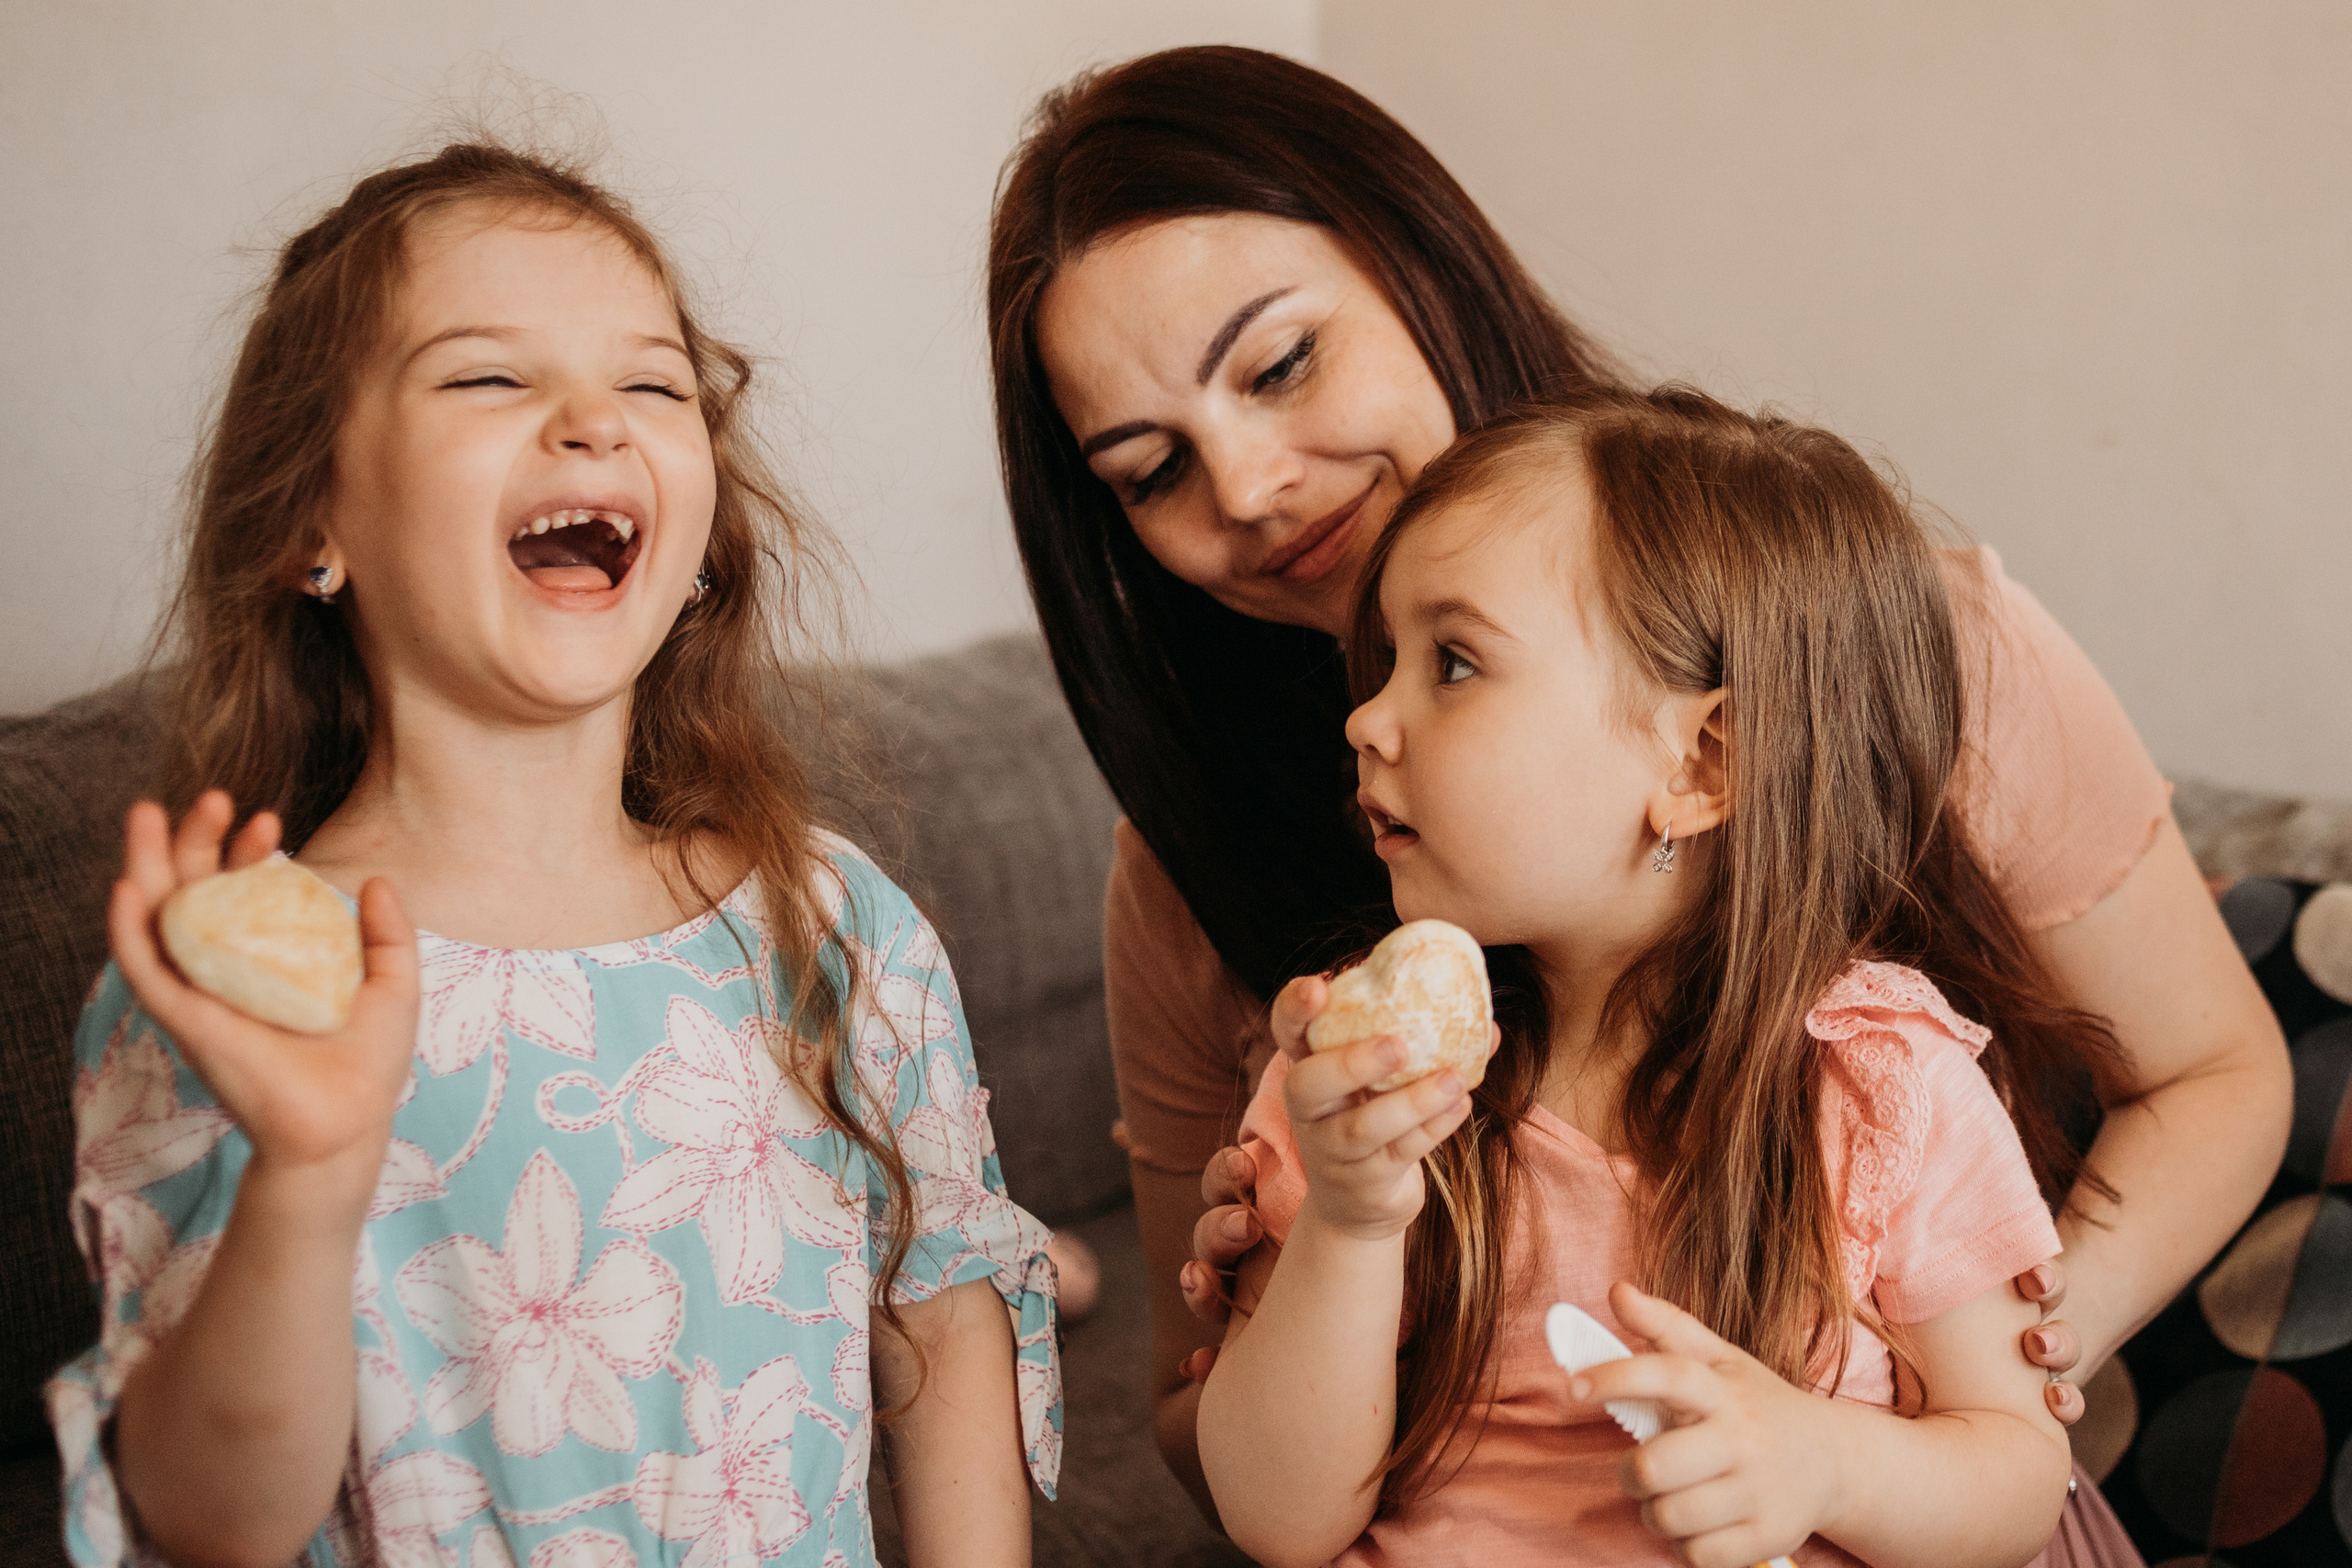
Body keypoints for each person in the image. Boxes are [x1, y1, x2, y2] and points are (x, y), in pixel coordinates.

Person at [985, 44, 2286, 1535]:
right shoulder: (1249, 928)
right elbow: (1217, 1442)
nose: (1249, 484)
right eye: (1151, 469)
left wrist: (1966, 1376)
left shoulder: (1899, 668)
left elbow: (2209, 1082)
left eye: (1282, 364)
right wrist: (1317, 1248)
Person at [49, 143, 1057, 1568]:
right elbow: (208, 1521)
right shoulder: (235, 971)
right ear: (308, 518)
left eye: (654, 384)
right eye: (486, 377)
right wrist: (307, 1175)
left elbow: (942, 1325)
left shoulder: (831, 921)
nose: (594, 420)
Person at [1201, 389, 2111, 1565]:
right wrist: (1350, 1218)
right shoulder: (1360, 1082)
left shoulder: (1882, 1086)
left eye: (1455, 661)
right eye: (1388, 663)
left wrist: (1824, 1457)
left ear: (1699, 763)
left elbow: (2017, 1476)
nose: (1368, 718)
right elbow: (1278, 1519)